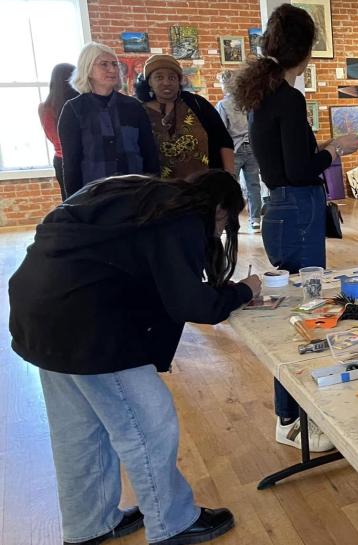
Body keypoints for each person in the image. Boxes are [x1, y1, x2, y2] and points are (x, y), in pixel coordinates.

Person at [8, 170, 259, 545]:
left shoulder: (147, 197)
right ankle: (173, 523)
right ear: (219, 208)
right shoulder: (184, 216)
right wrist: (244, 290)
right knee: (148, 425)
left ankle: (89, 525)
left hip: (39, 310)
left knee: (77, 432)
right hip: (87, 324)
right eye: (224, 222)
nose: (218, 232)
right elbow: (192, 303)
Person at [232, 3, 358, 452]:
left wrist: (321, 147)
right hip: (297, 208)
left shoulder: (263, 94)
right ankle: (290, 420)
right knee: (306, 315)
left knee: (301, 311)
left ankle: (293, 413)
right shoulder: (286, 97)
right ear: (306, 49)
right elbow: (300, 168)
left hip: (282, 209)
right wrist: (334, 150)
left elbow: (285, 163)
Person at [59, 43, 159, 197]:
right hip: (94, 197)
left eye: (114, 64)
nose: (112, 70)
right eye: (104, 64)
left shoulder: (134, 106)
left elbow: (149, 153)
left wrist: (154, 193)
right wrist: (73, 205)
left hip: (136, 194)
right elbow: (71, 164)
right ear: (88, 69)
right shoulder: (74, 109)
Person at [135, 54, 235, 179]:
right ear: (149, 81)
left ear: (179, 81)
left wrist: (230, 178)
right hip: (160, 192)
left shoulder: (197, 104)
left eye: (172, 78)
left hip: (206, 189)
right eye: (159, 77)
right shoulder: (139, 111)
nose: (166, 82)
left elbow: (224, 140)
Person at [217, 69, 263, 231]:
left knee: (230, 186)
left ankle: (229, 221)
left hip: (233, 150)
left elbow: (221, 131)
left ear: (225, 85)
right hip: (252, 147)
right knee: (253, 185)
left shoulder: (223, 105)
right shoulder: (249, 102)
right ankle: (256, 220)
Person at [38, 63, 79, 200]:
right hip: (79, 158)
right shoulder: (76, 106)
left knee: (68, 201)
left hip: (59, 159)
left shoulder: (44, 108)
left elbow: (50, 136)